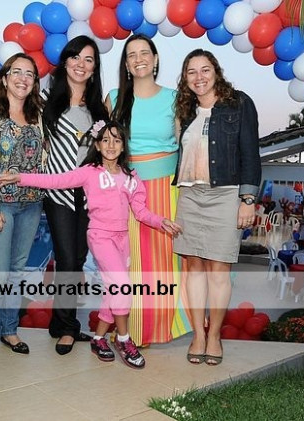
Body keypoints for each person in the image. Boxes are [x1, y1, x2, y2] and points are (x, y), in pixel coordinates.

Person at [0, 121, 182, 369]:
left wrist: (161, 221)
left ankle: (99, 338)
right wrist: (20, 177)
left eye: (116, 140)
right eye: (106, 140)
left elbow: (141, 212)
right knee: (122, 287)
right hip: (100, 237)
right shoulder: (90, 172)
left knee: (113, 291)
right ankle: (124, 339)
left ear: (123, 145)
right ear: (97, 145)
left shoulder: (132, 178)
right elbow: (56, 180)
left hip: (122, 241)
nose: (111, 145)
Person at [173, 49, 261, 366]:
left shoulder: (239, 103)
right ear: (185, 78)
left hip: (226, 194)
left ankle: (215, 336)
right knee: (193, 268)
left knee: (219, 270)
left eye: (205, 70)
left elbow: (251, 153)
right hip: (189, 196)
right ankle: (199, 334)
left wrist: (248, 200)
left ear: (216, 72)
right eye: (191, 71)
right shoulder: (185, 110)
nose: (199, 77)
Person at [105, 34, 189, 346]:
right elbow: (106, 147)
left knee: (166, 261)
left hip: (166, 189)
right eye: (131, 55)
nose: (138, 59)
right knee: (131, 263)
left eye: (144, 53)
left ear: (155, 59)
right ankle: (133, 331)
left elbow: (185, 144)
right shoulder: (114, 98)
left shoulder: (174, 98)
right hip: (126, 192)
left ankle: (166, 327)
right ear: (126, 64)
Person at [0, 53, 45, 357]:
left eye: (29, 74)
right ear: (5, 78)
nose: (23, 78)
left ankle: (10, 330)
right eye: (17, 72)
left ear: (34, 82)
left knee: (16, 271)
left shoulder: (38, 113)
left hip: (32, 204)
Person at [41, 35, 109, 355]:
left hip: (89, 195)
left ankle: (59, 322)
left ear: (94, 68)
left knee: (78, 259)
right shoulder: (45, 101)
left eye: (89, 59)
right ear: (65, 61)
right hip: (57, 193)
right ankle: (68, 328)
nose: (81, 64)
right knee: (67, 259)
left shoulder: (99, 109)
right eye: (75, 57)